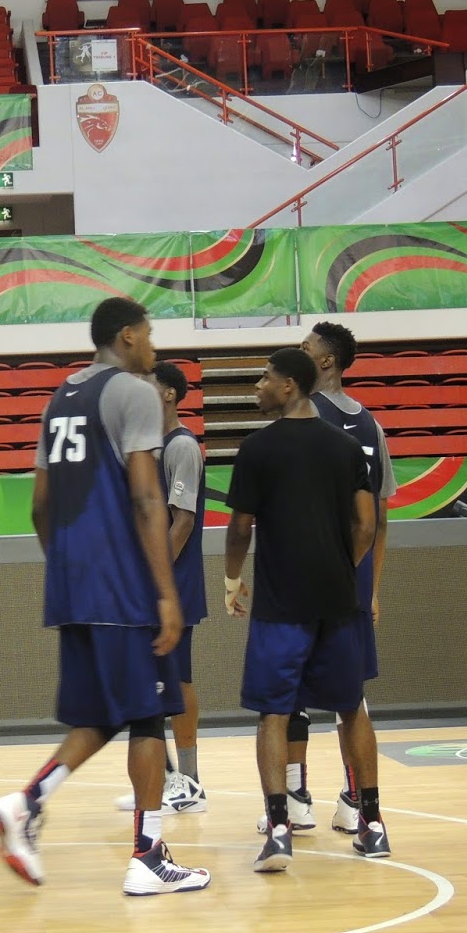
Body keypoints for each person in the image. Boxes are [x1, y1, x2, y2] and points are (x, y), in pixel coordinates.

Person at [0, 297, 211, 896]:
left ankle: (49, 812)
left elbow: (40, 504)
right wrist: (165, 593)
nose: (154, 346)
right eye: (149, 334)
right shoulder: (134, 392)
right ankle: (124, 846)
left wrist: (66, 564)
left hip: (73, 583)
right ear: (126, 336)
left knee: (119, 714)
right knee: (146, 712)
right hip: (123, 584)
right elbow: (146, 499)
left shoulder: (60, 398)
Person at [224, 348, 384, 873]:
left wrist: (231, 579)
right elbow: (367, 525)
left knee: (274, 712)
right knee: (351, 707)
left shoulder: (257, 449)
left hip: (280, 606)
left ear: (289, 385)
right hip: (338, 602)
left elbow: (242, 526)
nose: (257, 387)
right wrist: (344, 566)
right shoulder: (345, 448)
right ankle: (373, 824)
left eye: (264, 378)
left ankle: (278, 830)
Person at [268, 321, 398, 836]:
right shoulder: (370, 426)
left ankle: (296, 797)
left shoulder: (298, 419)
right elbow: (380, 519)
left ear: (325, 362)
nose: (296, 354)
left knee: (289, 690)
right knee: (350, 695)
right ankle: (357, 803)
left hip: (305, 575)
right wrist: (373, 588)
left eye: (305, 348)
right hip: (353, 579)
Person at [113, 359, 209, 815]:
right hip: (149, 583)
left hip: (176, 581)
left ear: (168, 393)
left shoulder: (182, 446)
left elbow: (182, 520)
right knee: (152, 681)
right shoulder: (147, 447)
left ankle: (189, 781)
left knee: (180, 678)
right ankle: (166, 778)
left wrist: (154, 576)